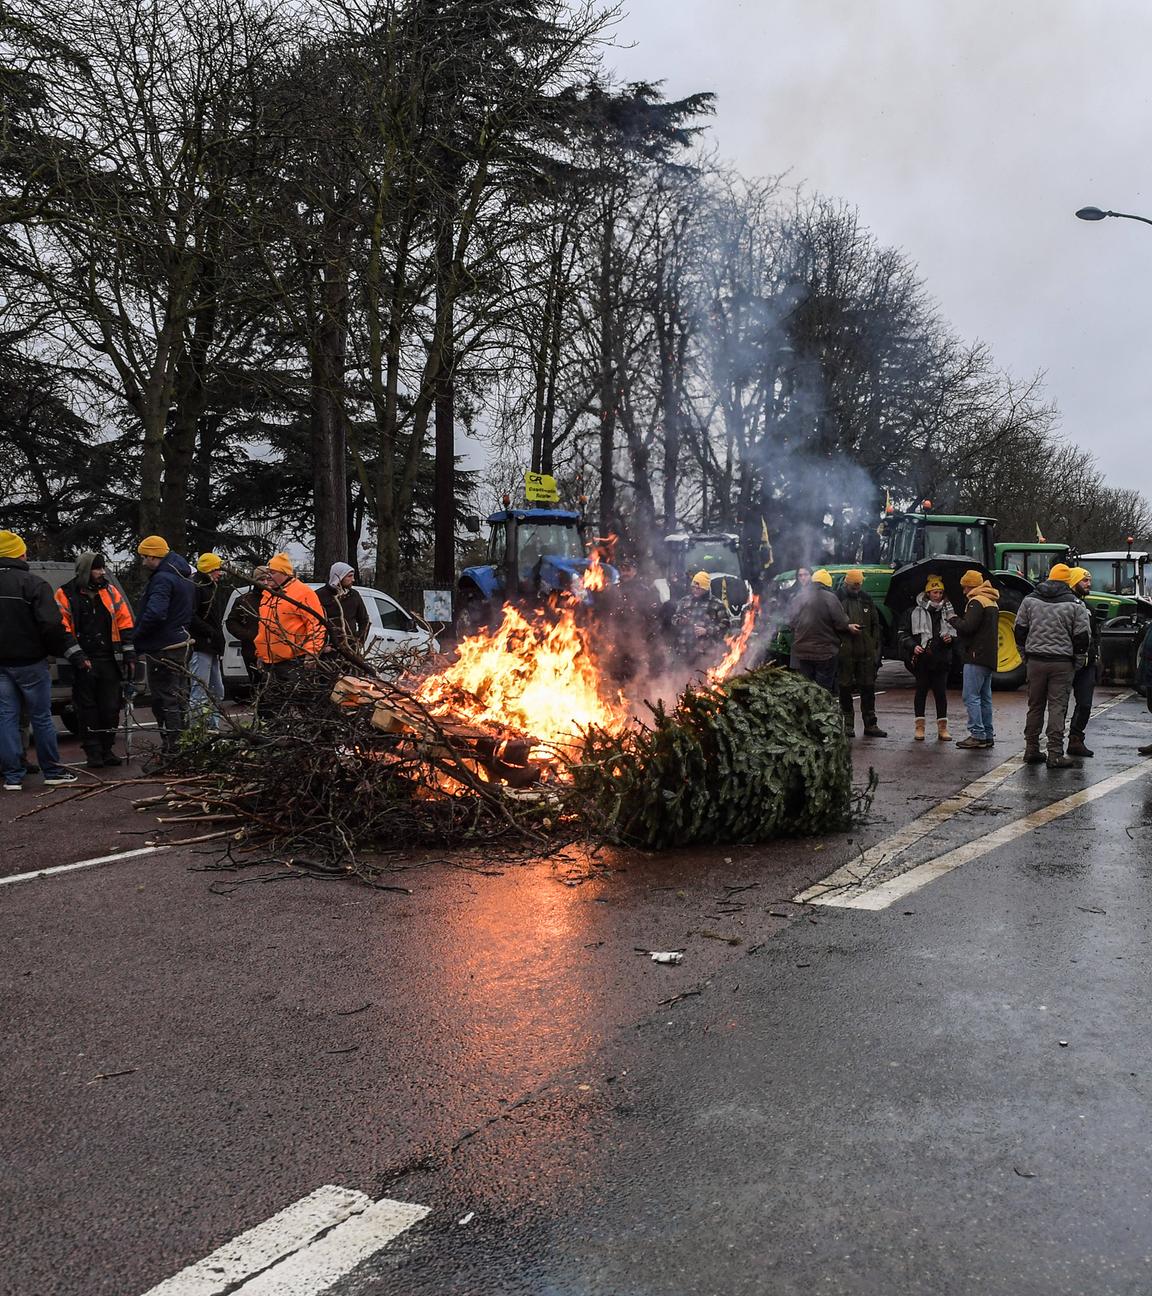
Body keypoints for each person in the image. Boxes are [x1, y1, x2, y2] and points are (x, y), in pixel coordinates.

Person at [0, 530, 86, 789]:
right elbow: (51, 624)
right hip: (31, 662)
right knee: (41, 716)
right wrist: (60, 651)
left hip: (1, 665)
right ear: (21, 553)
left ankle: (12, 776)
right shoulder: (34, 584)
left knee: (6, 716)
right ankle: (52, 771)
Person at [53, 551, 136, 768]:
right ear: (85, 571)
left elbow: (125, 622)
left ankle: (107, 749)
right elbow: (62, 629)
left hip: (109, 659)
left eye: (102, 568)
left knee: (110, 707)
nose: (101, 572)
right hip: (82, 662)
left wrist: (129, 654)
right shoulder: (65, 594)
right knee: (86, 709)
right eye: (97, 568)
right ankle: (93, 752)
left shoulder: (110, 592)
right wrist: (78, 656)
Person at [1014, 561, 1091, 769]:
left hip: (1035, 661)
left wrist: (1024, 656)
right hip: (1061, 663)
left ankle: (1031, 749)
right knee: (1058, 707)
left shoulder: (1029, 600)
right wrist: (1078, 661)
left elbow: (1019, 630)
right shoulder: (1075, 605)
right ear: (1068, 581)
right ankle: (1055, 754)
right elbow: (1082, 637)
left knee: (1035, 706)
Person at [134, 535, 197, 754]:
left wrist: (138, 635)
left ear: (154, 556)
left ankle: (173, 749)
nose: (143, 562)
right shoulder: (183, 575)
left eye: (144, 557)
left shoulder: (162, 579)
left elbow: (155, 613)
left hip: (163, 647)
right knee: (180, 697)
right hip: (181, 643)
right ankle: (185, 744)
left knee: (164, 700)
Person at [254, 553, 326, 684]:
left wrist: (311, 653)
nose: (268, 576)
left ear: (285, 573)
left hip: (293, 662)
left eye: (273, 572)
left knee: (294, 701)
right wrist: (260, 653)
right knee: (270, 702)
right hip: (269, 662)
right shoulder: (268, 594)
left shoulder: (303, 593)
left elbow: (317, 625)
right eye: (267, 572)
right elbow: (263, 628)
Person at [901, 575, 956, 742]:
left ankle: (943, 729)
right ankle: (919, 727)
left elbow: (956, 633)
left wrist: (950, 639)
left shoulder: (948, 612)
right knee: (921, 692)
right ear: (927, 593)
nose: (937, 595)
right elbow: (903, 633)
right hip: (922, 659)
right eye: (934, 592)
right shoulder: (913, 611)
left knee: (940, 694)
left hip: (941, 659)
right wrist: (912, 646)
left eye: (940, 592)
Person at [949, 569, 1000, 750]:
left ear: (971, 585)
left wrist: (953, 619)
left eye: (965, 587)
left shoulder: (976, 601)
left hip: (975, 656)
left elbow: (968, 627)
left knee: (971, 696)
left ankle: (977, 734)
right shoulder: (992, 601)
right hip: (989, 656)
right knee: (985, 697)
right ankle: (987, 734)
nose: (963, 591)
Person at [836, 569, 886, 737]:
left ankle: (871, 725)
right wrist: (846, 630)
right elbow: (833, 623)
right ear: (846, 583)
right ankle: (848, 725)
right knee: (845, 689)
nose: (857, 588)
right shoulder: (838, 599)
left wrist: (874, 647)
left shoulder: (867, 598)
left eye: (859, 585)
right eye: (854, 585)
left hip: (866, 653)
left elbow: (875, 624)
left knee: (868, 689)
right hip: (845, 652)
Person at [788, 568, 852, 694]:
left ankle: (808, 712)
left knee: (806, 689)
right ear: (827, 584)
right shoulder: (830, 598)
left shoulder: (799, 598)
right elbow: (842, 623)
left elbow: (790, 621)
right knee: (823, 691)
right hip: (825, 653)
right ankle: (822, 712)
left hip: (802, 652)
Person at [1061, 565, 1100, 758]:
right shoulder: (1067, 606)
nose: (1088, 584)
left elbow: (1095, 636)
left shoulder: (1089, 608)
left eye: (1089, 580)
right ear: (1074, 582)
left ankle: (1076, 740)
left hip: (1087, 665)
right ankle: (1055, 743)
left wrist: (1096, 659)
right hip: (1068, 662)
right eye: (1085, 580)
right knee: (1060, 704)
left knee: (1085, 704)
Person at [189, 552, 228, 730]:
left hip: (211, 646)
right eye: (218, 569)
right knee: (200, 691)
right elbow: (191, 616)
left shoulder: (209, 587)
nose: (221, 573)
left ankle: (213, 727)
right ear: (210, 569)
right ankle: (198, 730)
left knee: (217, 691)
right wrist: (210, 632)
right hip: (201, 645)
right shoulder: (197, 588)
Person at [225, 565, 275, 689]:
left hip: (275, 650)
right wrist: (248, 635)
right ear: (254, 580)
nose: (265, 582)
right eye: (261, 579)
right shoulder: (244, 600)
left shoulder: (277, 599)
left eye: (268, 579)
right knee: (257, 685)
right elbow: (231, 622)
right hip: (251, 650)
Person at [672, 571, 733, 668]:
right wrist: (681, 621)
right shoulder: (684, 601)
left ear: (706, 588)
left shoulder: (716, 604)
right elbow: (674, 619)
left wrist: (707, 630)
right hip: (683, 650)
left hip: (704, 654)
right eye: (693, 587)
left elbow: (725, 625)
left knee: (701, 681)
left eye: (698, 588)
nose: (695, 590)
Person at [316, 562, 370, 659]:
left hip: (350, 652)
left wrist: (358, 642)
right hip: (327, 654)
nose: (352, 580)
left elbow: (364, 620)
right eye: (349, 576)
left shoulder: (354, 595)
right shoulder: (320, 596)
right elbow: (312, 624)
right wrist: (322, 646)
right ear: (339, 576)